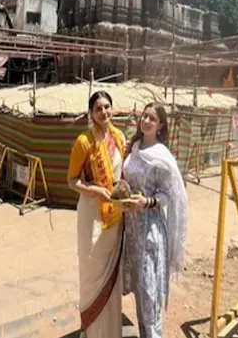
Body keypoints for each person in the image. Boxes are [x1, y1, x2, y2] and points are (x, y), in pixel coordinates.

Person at [121, 103, 188, 338]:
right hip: (131, 231)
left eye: (152, 118)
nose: (146, 121)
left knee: (150, 295)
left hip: (150, 232)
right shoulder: (134, 147)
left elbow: (168, 195)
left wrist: (146, 202)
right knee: (141, 295)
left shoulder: (162, 156)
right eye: (144, 116)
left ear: (160, 126)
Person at [67, 91, 126, 338]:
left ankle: (111, 330)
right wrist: (95, 190)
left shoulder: (119, 137)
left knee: (112, 273)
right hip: (92, 215)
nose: (104, 112)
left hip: (115, 216)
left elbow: (123, 173)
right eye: (98, 108)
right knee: (92, 272)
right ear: (91, 113)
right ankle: (92, 330)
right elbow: (71, 180)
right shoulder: (83, 142)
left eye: (107, 107)